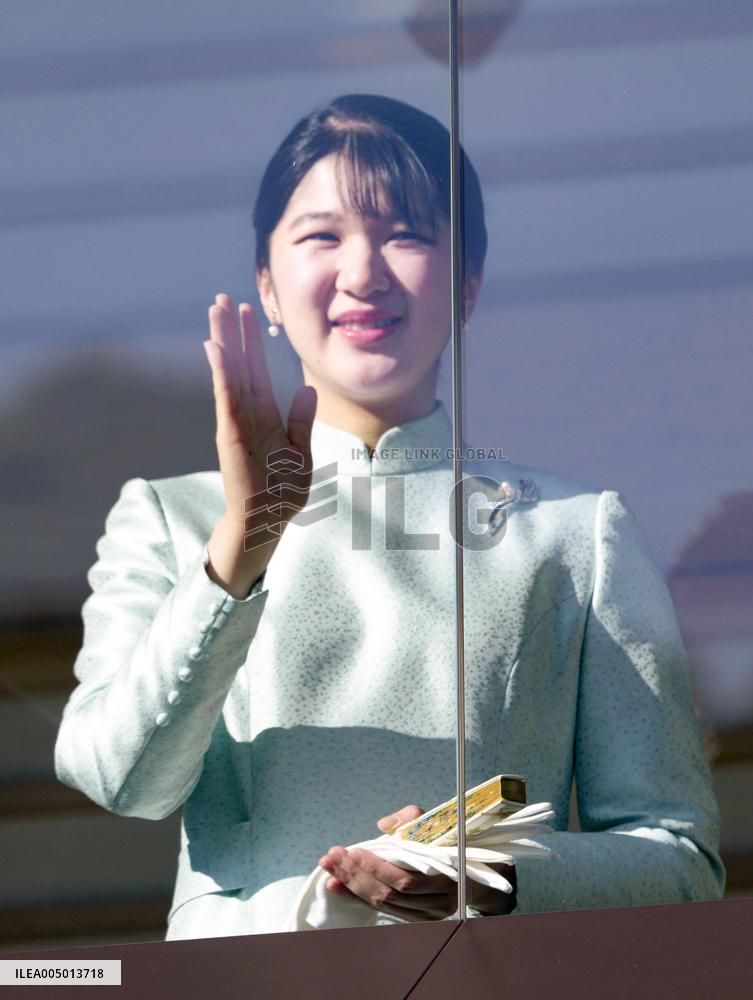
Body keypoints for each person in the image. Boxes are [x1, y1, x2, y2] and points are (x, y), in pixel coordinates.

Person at [54, 94, 724, 941]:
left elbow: (679, 860)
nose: (363, 272)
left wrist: (488, 877)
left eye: (405, 234)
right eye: (321, 236)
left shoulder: (572, 531)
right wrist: (245, 539)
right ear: (266, 281)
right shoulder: (171, 518)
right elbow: (120, 781)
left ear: (468, 283)